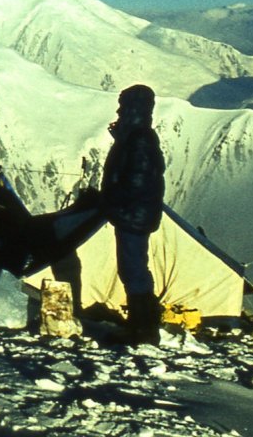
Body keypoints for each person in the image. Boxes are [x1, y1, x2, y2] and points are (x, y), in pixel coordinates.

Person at [100, 83, 166, 345]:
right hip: (137, 213)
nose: (119, 110)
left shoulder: (138, 139)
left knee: (133, 270)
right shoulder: (140, 136)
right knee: (135, 268)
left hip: (132, 214)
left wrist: (114, 202)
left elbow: (135, 180)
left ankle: (143, 329)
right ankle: (142, 325)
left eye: (124, 105)